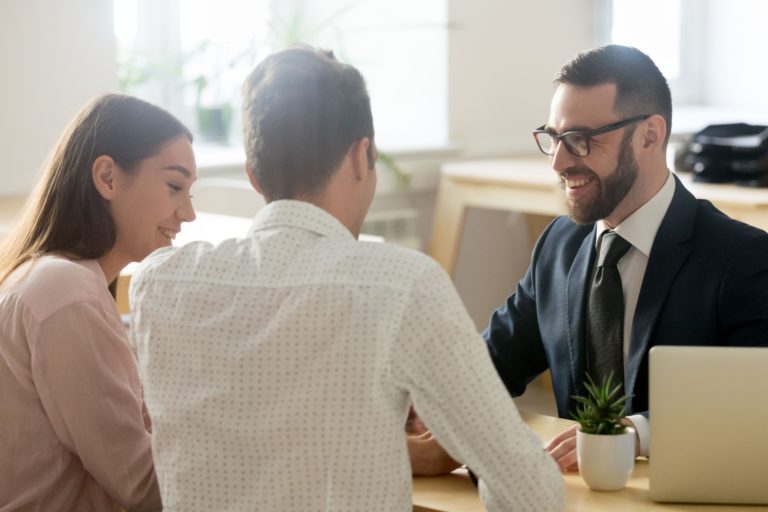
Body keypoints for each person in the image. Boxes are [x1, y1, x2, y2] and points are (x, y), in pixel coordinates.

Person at [129, 46, 563, 512]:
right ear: (362, 156)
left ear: (254, 176)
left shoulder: (158, 283)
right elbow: (529, 492)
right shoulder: (402, 285)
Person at [412, 44, 768, 474]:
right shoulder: (559, 245)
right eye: (554, 137)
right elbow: (492, 361)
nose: (559, 161)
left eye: (580, 141)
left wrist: (636, 434)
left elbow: (754, 404)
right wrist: (422, 405)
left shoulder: (743, 259)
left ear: (650, 135)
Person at [0, 93, 197, 511]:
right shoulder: (66, 294)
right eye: (175, 186)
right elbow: (143, 487)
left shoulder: (52, 278)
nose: (188, 213)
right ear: (107, 177)